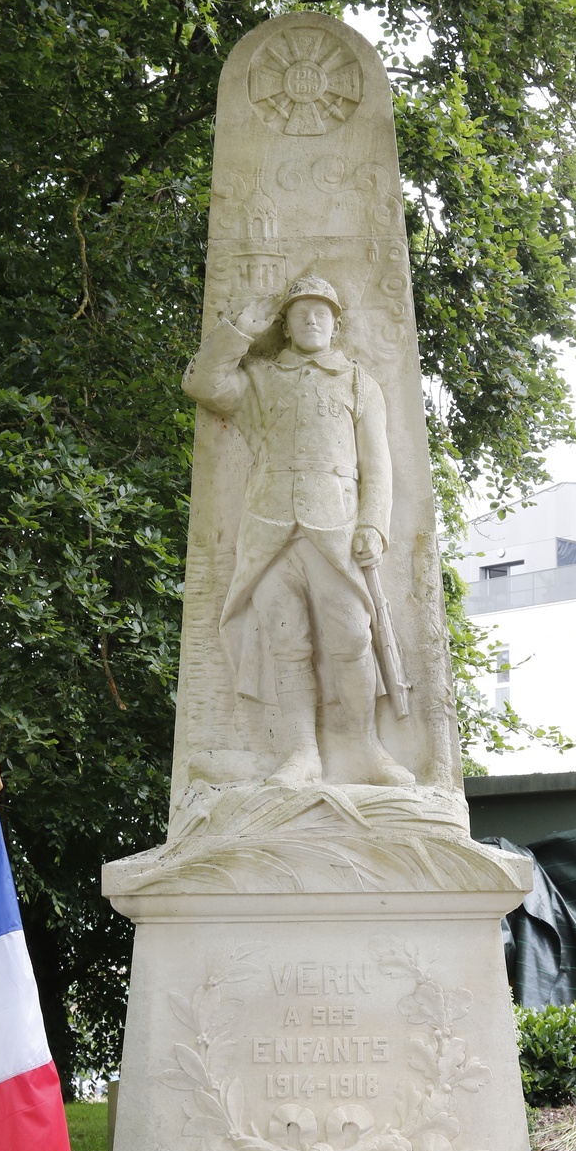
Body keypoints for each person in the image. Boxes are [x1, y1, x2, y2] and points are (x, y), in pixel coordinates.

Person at [183, 275, 413, 788]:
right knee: (285, 640)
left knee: (353, 634)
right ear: (284, 324)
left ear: (337, 322)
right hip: (269, 528)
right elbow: (203, 383)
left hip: (336, 527)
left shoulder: (358, 382)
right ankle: (301, 754)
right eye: (300, 311)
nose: (312, 319)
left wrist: (374, 524)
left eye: (323, 312)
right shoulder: (261, 379)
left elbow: (377, 467)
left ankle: (365, 748)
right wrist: (242, 328)